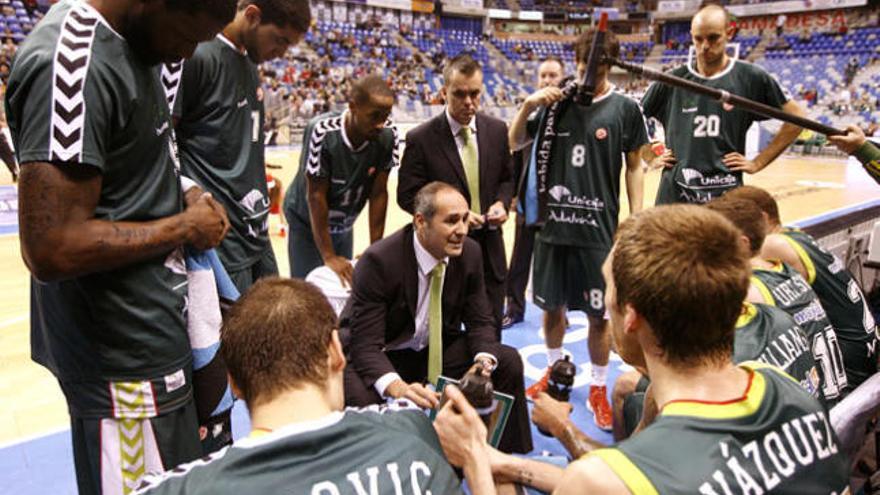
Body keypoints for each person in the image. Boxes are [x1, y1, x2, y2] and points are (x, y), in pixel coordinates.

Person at [436, 205, 849, 494]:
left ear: (631, 317)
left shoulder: (603, 480)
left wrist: (474, 457)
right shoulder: (788, 390)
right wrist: (504, 461)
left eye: (608, 292)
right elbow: (625, 471)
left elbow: (610, 480)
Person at [7, 0, 235, 493]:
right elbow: (52, 247)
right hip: (123, 365)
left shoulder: (139, 45)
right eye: (189, 34)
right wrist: (184, 227)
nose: (190, 51)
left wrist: (188, 191)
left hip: (157, 338)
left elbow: (133, 172)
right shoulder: (72, 64)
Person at [133, 278, 466, 495]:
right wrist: (478, 461)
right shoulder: (413, 428)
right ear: (336, 351)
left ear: (232, 383)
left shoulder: (175, 489)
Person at [507, 28, 647, 431]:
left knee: (599, 318)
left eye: (596, 68)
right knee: (551, 309)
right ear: (577, 63)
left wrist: (636, 216)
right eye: (582, 66)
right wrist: (529, 103)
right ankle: (552, 372)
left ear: (611, 66)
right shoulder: (554, 105)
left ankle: (599, 388)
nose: (587, 75)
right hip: (552, 231)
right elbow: (516, 142)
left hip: (597, 234)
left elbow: (636, 164)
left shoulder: (624, 108)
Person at [341, 182, 533, 455]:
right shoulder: (379, 261)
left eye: (466, 219)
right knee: (361, 397)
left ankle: (500, 459)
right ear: (421, 222)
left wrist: (482, 363)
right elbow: (365, 345)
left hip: (432, 351)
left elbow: (480, 321)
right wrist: (397, 388)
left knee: (507, 361)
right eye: (452, 221)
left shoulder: (470, 254)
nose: (462, 230)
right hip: (383, 352)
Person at [174, 0, 310, 294]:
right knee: (233, 333)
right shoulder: (197, 55)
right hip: (222, 237)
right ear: (252, 15)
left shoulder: (250, 63)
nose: (282, 53)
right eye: (280, 40)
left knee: (272, 323)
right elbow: (164, 141)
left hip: (256, 231)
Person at [641, 4, 805, 204]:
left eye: (713, 38)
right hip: (675, 198)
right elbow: (632, 119)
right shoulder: (673, 80)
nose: (704, 46)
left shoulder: (750, 77)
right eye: (698, 39)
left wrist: (758, 162)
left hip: (726, 198)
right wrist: (650, 155)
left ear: (729, 33)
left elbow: (797, 117)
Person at [398, 54, 514, 335]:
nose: (468, 102)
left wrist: (502, 203)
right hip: (441, 253)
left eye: (474, 93)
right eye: (459, 94)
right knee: (443, 336)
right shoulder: (421, 139)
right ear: (443, 93)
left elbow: (507, 178)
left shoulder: (497, 131)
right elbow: (407, 195)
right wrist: (452, 217)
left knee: (490, 333)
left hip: (490, 251)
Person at [725, 184, 879, 393]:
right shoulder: (797, 235)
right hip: (863, 347)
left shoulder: (774, 245)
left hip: (848, 364)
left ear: (762, 217)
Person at [706, 196, 846, 405]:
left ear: (741, 244)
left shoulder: (750, 292)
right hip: (831, 397)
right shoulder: (785, 271)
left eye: (708, 241)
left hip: (808, 410)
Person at [283, 74, 398, 284]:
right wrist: (328, 255)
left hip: (343, 223)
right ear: (353, 107)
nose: (381, 123)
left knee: (344, 287)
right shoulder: (322, 132)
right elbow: (316, 196)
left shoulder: (388, 135)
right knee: (306, 292)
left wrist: (375, 249)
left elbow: (379, 193)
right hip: (307, 222)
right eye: (374, 116)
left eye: (386, 115)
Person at [503, 56, 565, 329]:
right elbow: (514, 155)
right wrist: (512, 196)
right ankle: (514, 308)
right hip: (528, 201)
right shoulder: (529, 113)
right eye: (543, 76)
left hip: (558, 200)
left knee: (558, 258)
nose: (548, 81)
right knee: (520, 258)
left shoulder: (569, 114)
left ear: (563, 79)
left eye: (553, 76)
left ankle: (558, 310)